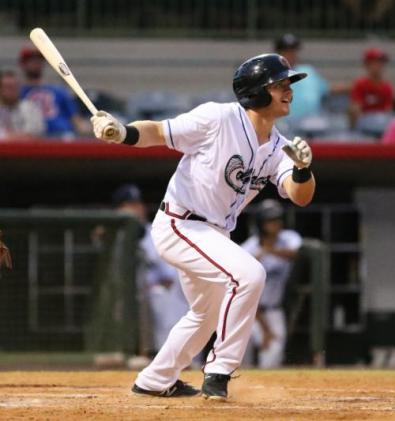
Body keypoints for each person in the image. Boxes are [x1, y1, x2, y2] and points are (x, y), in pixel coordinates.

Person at [90, 53, 315, 400]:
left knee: (205, 314)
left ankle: (154, 380)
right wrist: (122, 132)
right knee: (249, 274)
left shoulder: (278, 147)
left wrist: (302, 169)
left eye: (288, 85)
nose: (288, 91)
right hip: (181, 223)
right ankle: (220, 371)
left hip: (214, 233)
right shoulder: (219, 118)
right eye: (279, 85)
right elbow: (159, 132)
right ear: (256, 92)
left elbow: (299, 196)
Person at [112, 184, 189, 358]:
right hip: (122, 295)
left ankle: (167, 357)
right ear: (119, 209)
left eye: (138, 204)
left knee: (161, 296)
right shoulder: (112, 235)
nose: (137, 209)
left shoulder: (154, 232)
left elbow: (168, 277)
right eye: (129, 205)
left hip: (153, 292)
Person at [241, 200, 302, 368]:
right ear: (261, 223)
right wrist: (265, 329)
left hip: (274, 309)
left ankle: (267, 393)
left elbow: (295, 254)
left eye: (277, 219)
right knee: (240, 353)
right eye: (270, 220)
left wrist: (269, 251)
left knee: (273, 354)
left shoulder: (288, 238)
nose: (275, 224)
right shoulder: (249, 248)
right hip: (250, 310)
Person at [18, 45, 89, 139]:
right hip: (32, 139)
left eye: (39, 60)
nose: (36, 63)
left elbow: (77, 122)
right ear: (23, 64)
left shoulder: (59, 91)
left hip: (63, 137)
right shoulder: (15, 93)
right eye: (31, 60)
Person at [275, 33, 346, 119]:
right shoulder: (271, 74)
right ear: (278, 53)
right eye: (286, 51)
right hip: (283, 124)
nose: (290, 54)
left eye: (293, 50)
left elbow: (327, 88)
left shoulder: (308, 70)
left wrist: (354, 86)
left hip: (312, 122)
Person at [349, 48, 394, 126]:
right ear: (367, 65)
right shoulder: (360, 84)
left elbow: (388, 110)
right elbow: (356, 108)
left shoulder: (387, 87)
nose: (379, 66)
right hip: (363, 125)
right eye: (375, 63)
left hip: (382, 124)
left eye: (381, 63)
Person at [0, 69, 45, 140]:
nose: (12, 90)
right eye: (8, 87)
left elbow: (34, 135)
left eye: (15, 86)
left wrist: (6, 136)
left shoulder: (31, 107)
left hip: (28, 150)